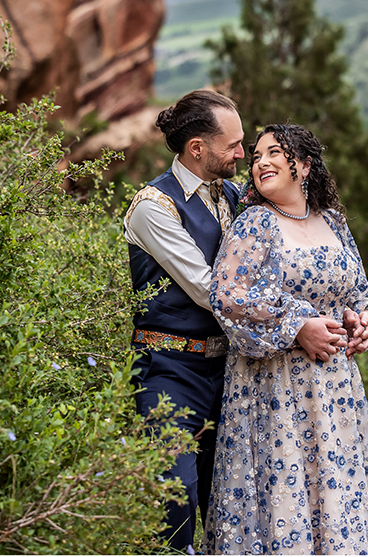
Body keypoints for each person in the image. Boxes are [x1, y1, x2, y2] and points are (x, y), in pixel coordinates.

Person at [203, 124, 368, 555]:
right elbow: (228, 295)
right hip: (275, 389)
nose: (261, 161)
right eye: (255, 156)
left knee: (339, 494)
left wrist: (363, 319)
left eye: (275, 152)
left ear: (304, 166)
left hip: (337, 391)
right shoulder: (255, 223)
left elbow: (357, 291)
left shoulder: (333, 221)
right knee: (283, 495)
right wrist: (298, 326)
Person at [123, 89, 245, 553]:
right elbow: (210, 290)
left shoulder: (233, 195)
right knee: (174, 498)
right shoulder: (154, 206)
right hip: (169, 371)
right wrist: (293, 324)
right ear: (197, 148)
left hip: (230, 370)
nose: (241, 152)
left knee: (228, 498)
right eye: (232, 145)